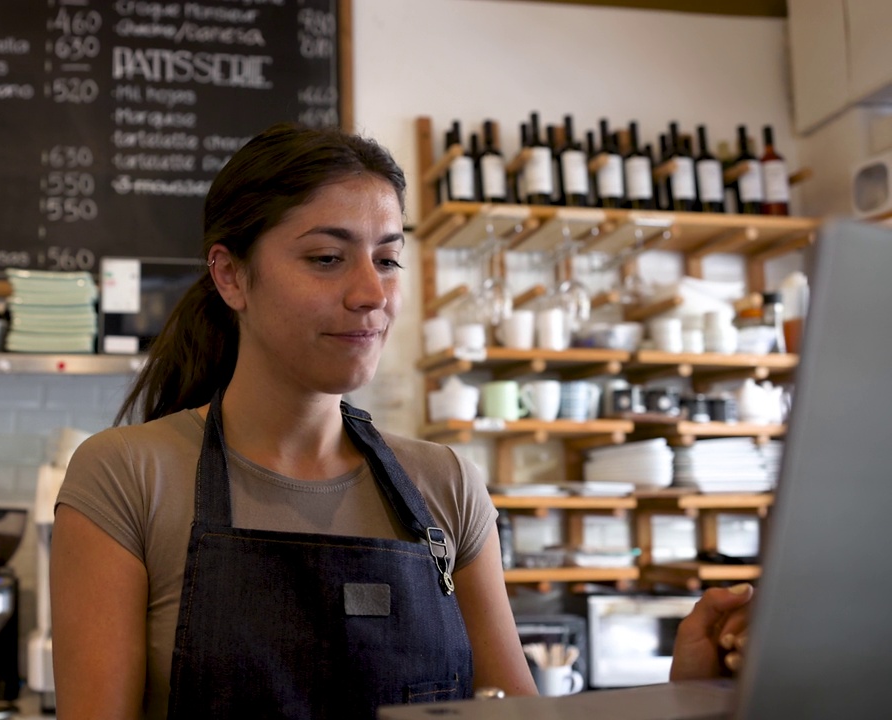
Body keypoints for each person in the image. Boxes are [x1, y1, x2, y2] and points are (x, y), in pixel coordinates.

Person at [50, 124, 752, 720]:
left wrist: (691, 695)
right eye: (326, 258)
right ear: (231, 276)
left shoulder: (444, 485)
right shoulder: (127, 477)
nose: (371, 293)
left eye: (387, 259)